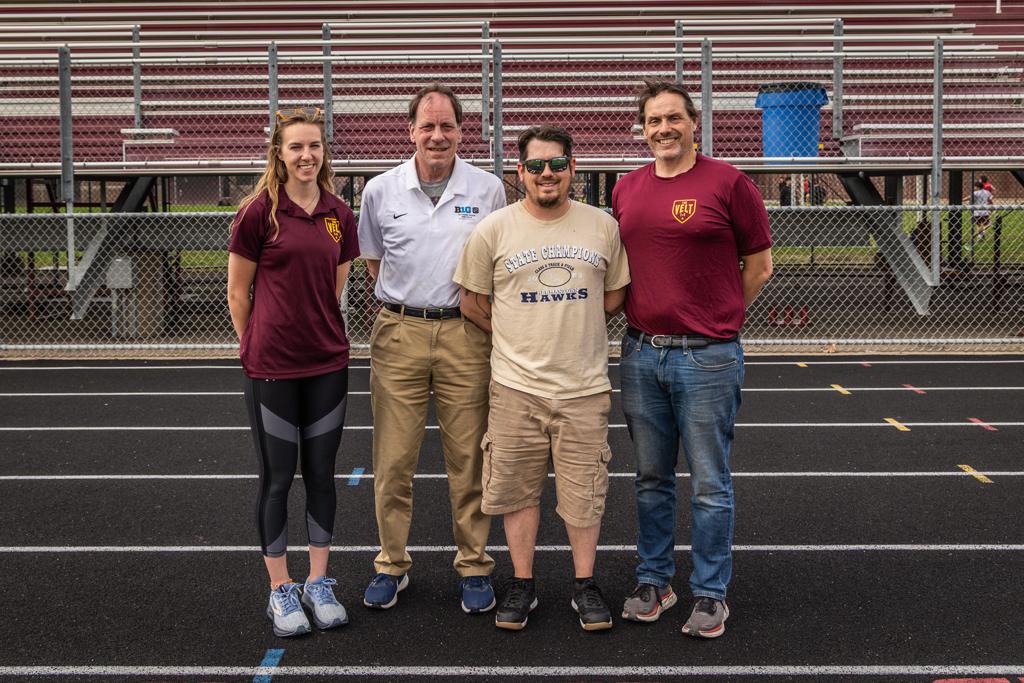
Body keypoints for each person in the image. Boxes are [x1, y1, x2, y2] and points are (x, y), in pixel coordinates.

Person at [611, 81, 773, 639]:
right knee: (650, 479)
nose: (663, 129)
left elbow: (759, 265)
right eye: (653, 121)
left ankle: (710, 593)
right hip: (641, 354)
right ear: (643, 128)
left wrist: (718, 317)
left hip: (708, 357)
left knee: (709, 483)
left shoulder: (729, 182)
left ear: (694, 123)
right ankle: (655, 580)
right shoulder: (627, 187)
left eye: (673, 119)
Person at [455, 125, 630, 632]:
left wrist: (576, 327)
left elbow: (615, 294)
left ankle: (584, 583)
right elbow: (472, 301)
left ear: (573, 169)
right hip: (516, 387)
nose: (546, 174)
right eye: (536, 166)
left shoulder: (602, 226)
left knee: (583, 492)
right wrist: (514, 331)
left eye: (556, 164)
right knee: (515, 491)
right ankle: (523, 582)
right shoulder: (494, 229)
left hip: (583, 387)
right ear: (520, 173)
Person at [356, 83, 506, 613]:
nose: (437, 135)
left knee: (468, 458)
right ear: (411, 130)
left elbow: (494, 263)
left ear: (463, 132)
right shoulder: (380, 190)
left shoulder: (488, 189)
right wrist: (411, 305)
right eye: (428, 126)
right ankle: (391, 563)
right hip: (400, 331)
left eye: (447, 126)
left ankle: (473, 565)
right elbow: (376, 262)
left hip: (465, 333)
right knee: (393, 459)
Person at [227, 106, 360, 637]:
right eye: (296, 147)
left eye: (315, 147)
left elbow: (336, 286)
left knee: (323, 476)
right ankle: (280, 589)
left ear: (323, 153)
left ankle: (318, 582)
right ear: (278, 155)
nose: (307, 156)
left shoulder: (337, 214)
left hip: (326, 363)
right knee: (278, 478)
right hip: (273, 369)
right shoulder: (260, 211)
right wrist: (256, 343)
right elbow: (238, 292)